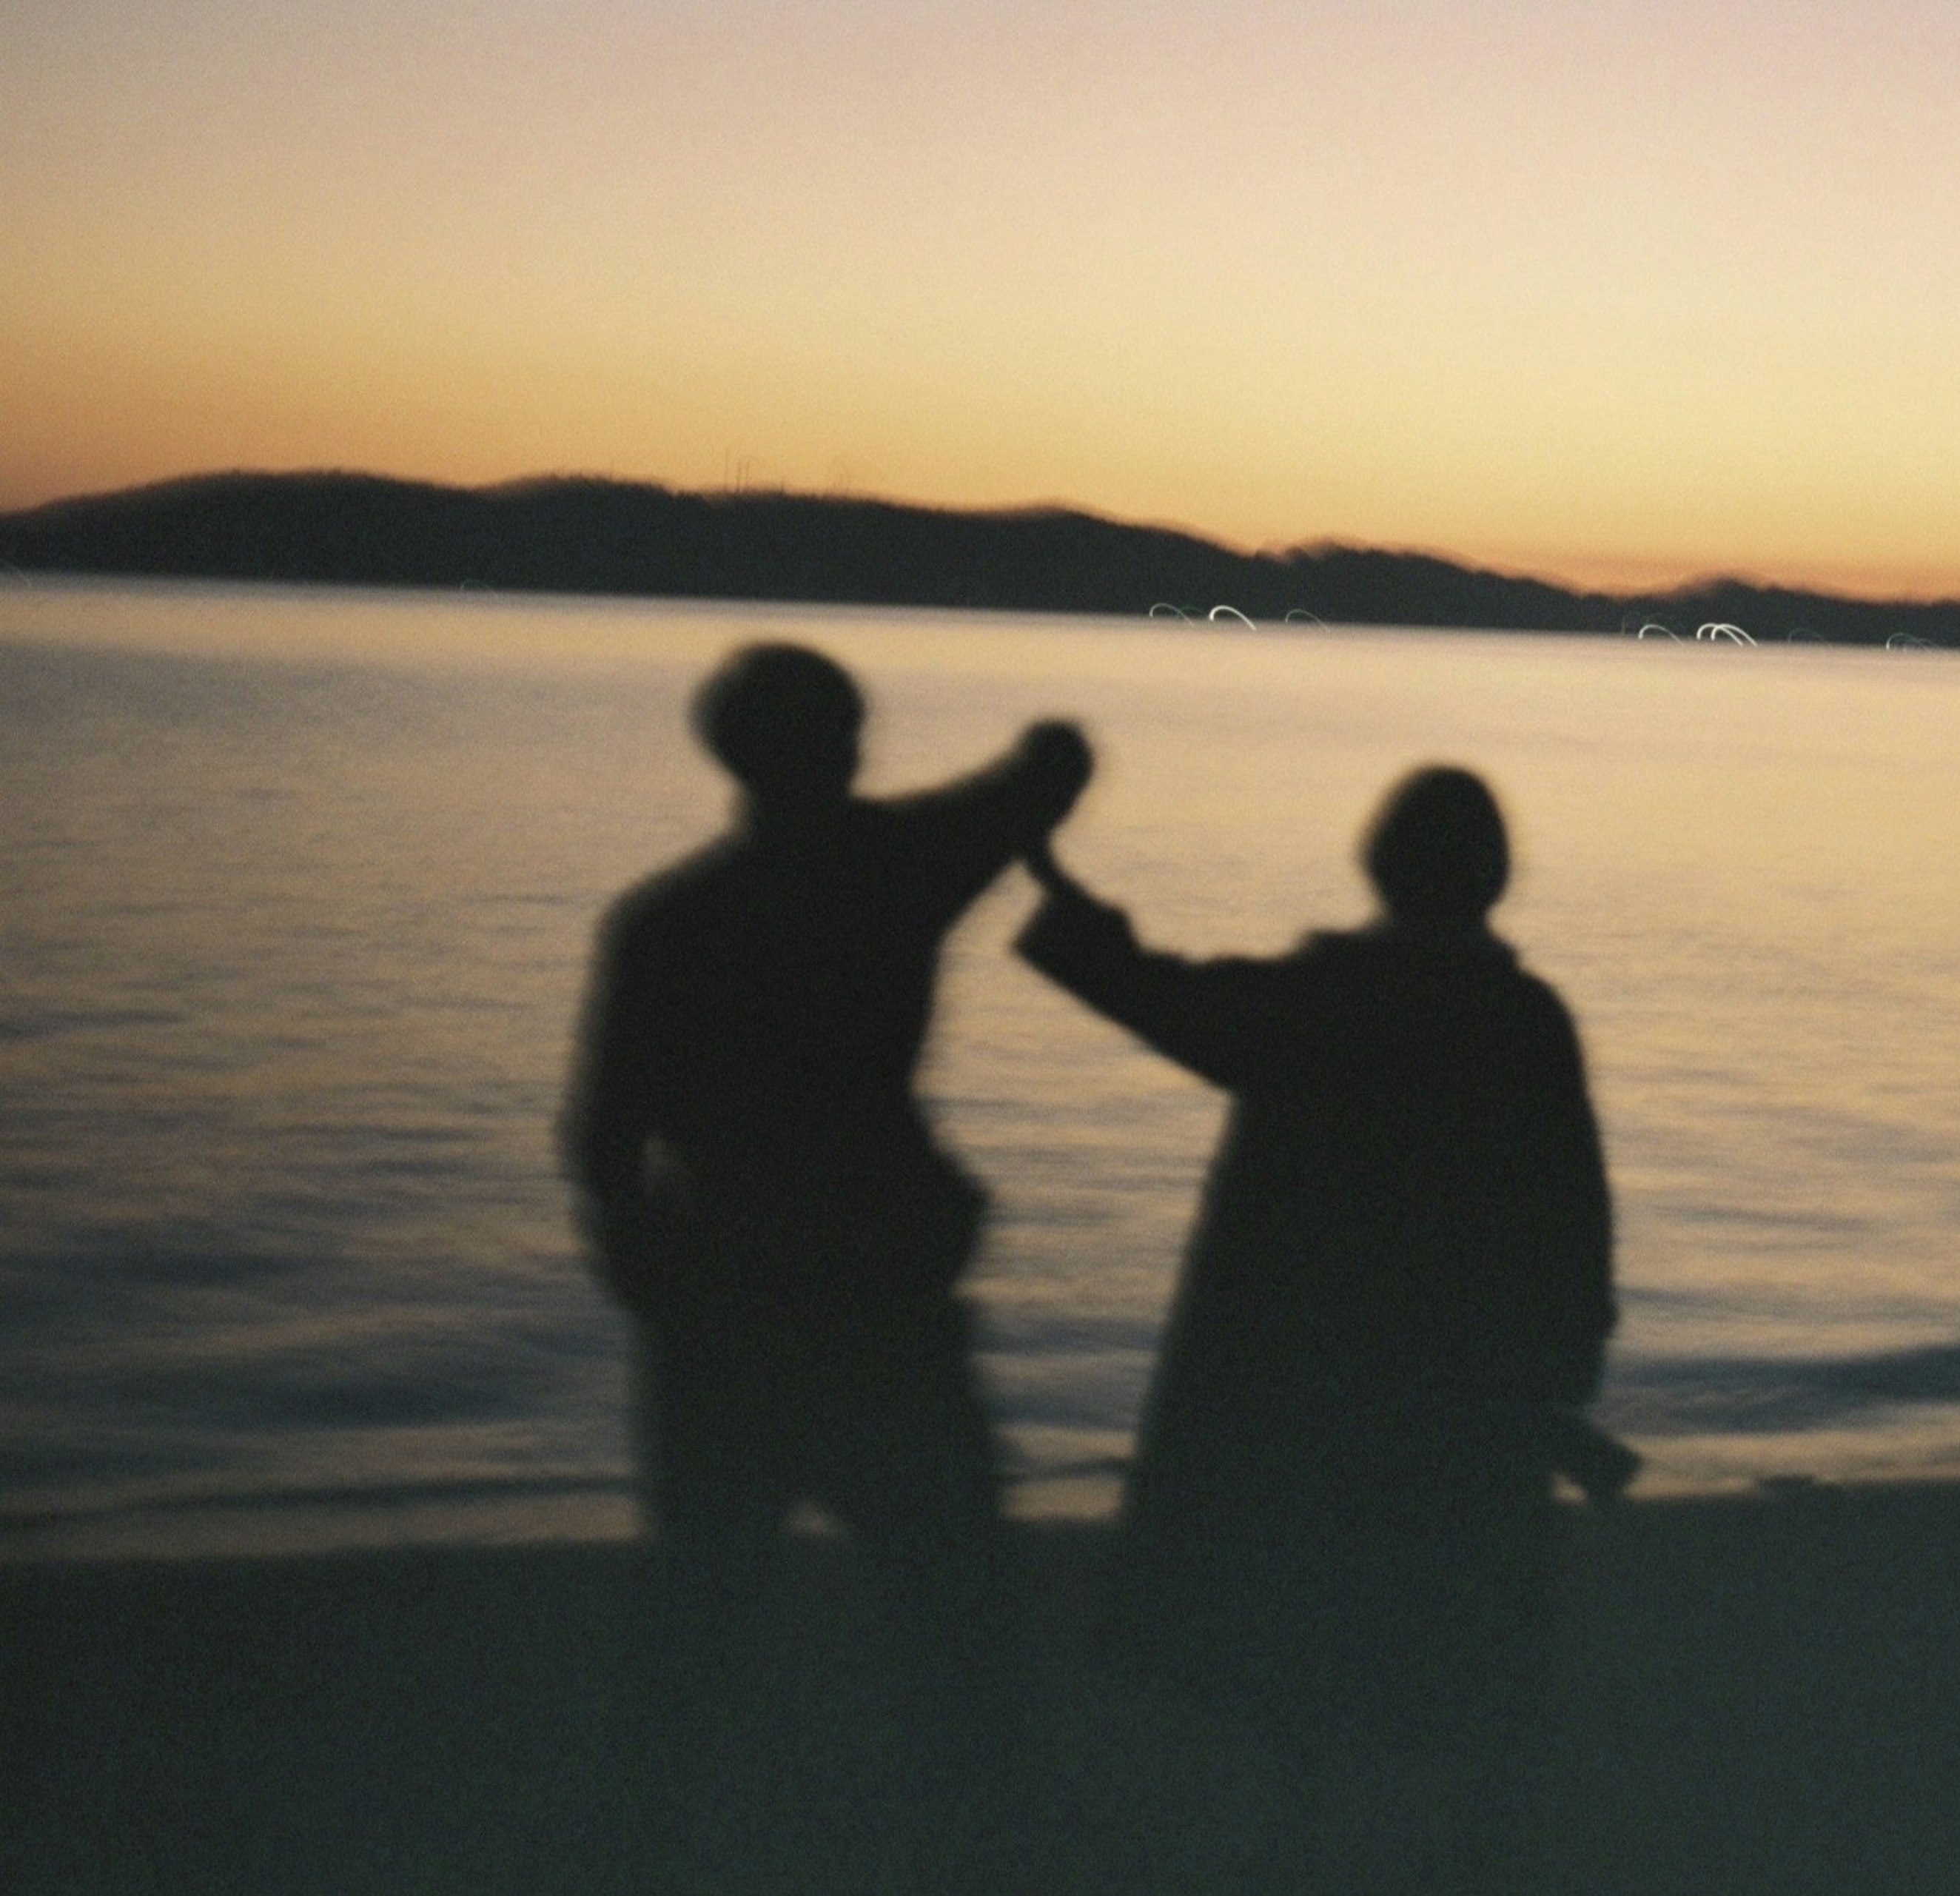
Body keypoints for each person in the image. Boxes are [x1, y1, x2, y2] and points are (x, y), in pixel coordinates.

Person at [1014, 764, 1617, 1878]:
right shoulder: (1525, 1020)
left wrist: (1053, 881)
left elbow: (1160, 995)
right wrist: (1564, 1367)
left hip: (1308, 1397)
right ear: (1492, 880)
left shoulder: (1326, 1000)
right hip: (1465, 1407)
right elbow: (1575, 1217)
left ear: (1382, 869)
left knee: (1308, 1669)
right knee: (1457, 1670)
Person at [559, 643, 1090, 1846]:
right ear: (850, 744)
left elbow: (601, 1143)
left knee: (691, 1629)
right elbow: (1052, 765)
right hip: (884, 1309)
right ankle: (974, 1858)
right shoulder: (900, 867)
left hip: (725, 1313)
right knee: (960, 1623)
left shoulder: (666, 924)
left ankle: (636, 1853)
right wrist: (1033, 799)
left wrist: (655, 1286)